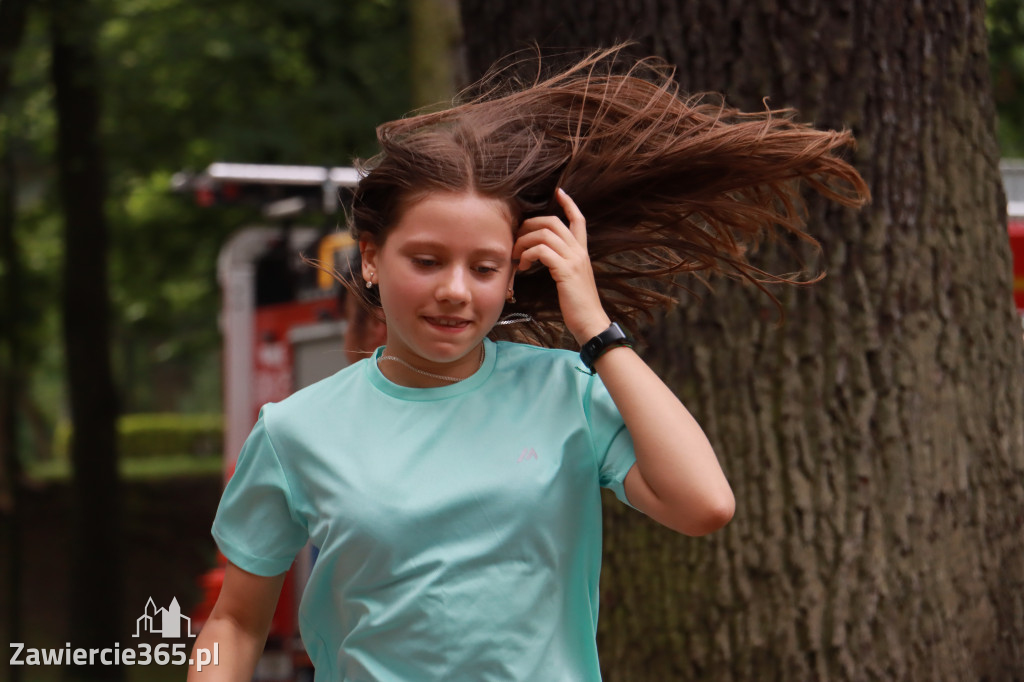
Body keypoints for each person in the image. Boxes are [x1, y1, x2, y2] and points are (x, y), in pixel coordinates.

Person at [189, 46, 868, 681]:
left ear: (512, 277)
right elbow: (236, 621)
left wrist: (595, 328)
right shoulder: (295, 431)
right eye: (426, 261)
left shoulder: (566, 393)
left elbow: (705, 505)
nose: (455, 289)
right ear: (370, 257)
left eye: (484, 267)